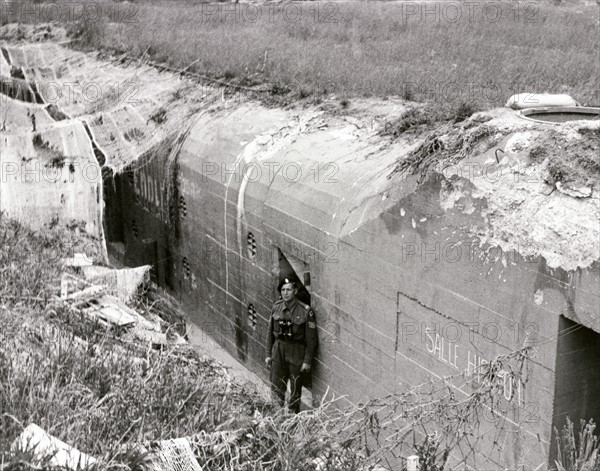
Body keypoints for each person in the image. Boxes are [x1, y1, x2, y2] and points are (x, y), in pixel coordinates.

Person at [265, 278, 318, 413]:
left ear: (295, 291)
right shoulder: (276, 307)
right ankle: (277, 417)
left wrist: (307, 361)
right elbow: (270, 333)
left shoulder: (305, 311)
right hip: (279, 350)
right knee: (276, 386)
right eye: (283, 290)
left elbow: (311, 339)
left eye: (288, 290)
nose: (285, 293)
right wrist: (268, 355)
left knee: (295, 389)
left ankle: (293, 418)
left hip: (296, 352)